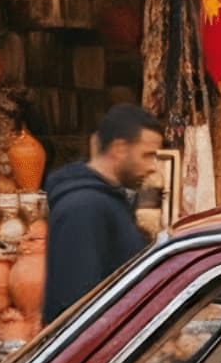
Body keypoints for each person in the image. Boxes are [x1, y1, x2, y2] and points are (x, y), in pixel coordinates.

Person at [44, 104, 162, 324]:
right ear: (119, 149)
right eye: (146, 155)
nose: (152, 166)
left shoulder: (109, 200)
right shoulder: (84, 207)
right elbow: (78, 306)